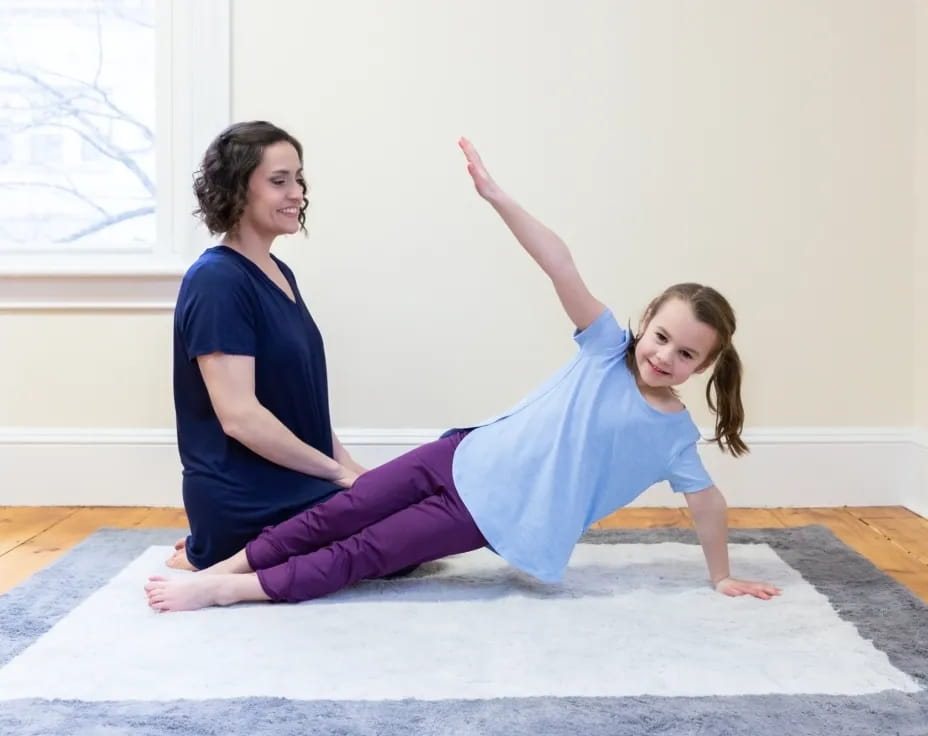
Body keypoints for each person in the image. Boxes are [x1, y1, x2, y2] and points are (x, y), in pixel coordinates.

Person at [146, 137, 781, 611]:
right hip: (458, 453)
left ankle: (231, 592)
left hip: (489, 511)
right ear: (646, 321)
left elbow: (708, 503)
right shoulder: (606, 348)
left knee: (361, 554)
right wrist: (499, 198)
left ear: (705, 366)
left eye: (686, 355)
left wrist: (720, 575)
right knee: (337, 513)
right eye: (662, 336)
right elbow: (560, 264)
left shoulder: (673, 431)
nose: (665, 356)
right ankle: (216, 569)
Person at [168, 121, 366, 572]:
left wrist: (355, 471)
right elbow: (239, 417)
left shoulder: (279, 273)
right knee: (416, 530)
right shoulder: (217, 281)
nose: (297, 192)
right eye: (279, 181)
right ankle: (221, 551)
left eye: (298, 179)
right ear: (237, 190)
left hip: (295, 482)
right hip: (247, 496)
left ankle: (221, 549)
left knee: (418, 500)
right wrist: (339, 476)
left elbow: (303, 408)